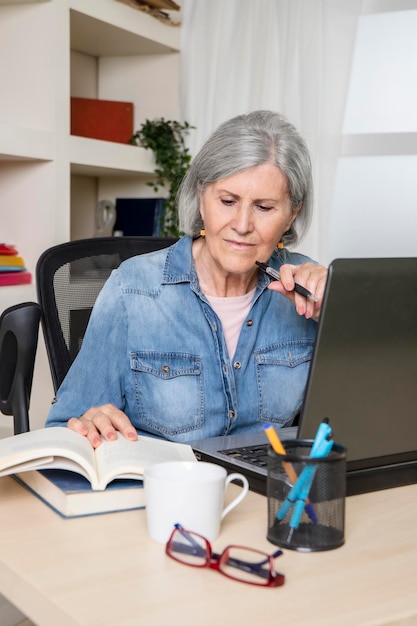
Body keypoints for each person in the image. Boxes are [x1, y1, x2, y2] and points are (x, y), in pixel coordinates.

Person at [46, 110, 328, 448]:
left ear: (292, 213)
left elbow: (357, 419)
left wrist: (338, 314)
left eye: (264, 208)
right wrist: (88, 424)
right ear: (201, 198)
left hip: (268, 492)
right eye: (227, 201)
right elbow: (65, 424)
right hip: (163, 490)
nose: (241, 224)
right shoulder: (132, 288)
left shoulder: (310, 290)